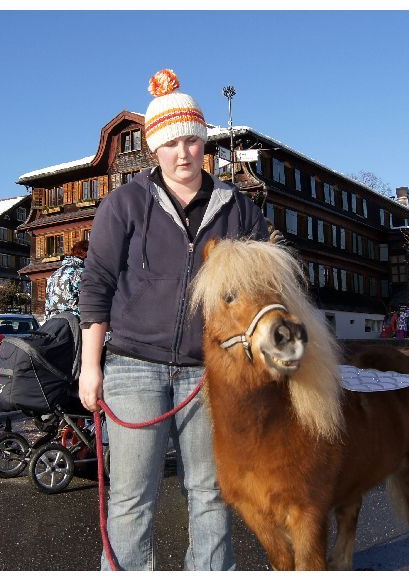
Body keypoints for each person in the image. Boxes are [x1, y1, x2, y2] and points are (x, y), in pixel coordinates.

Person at [77, 69, 268, 571]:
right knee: (132, 496)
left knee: (210, 492)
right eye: (170, 143)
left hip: (209, 370)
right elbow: (96, 284)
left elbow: (266, 285)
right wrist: (90, 367)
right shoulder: (124, 204)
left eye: (192, 140)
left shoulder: (238, 210)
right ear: (154, 149)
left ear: (204, 143)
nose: (183, 153)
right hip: (133, 366)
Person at [44, 239, 89, 320]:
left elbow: (47, 305)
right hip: (74, 322)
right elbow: (90, 302)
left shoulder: (54, 275)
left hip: (54, 322)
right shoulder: (81, 273)